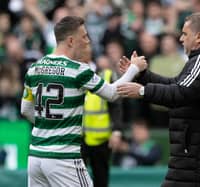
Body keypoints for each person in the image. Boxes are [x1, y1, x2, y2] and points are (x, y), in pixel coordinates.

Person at [20, 16, 147, 187]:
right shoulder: (78, 70)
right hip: (64, 158)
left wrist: (50, 126)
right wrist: (134, 68)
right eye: (85, 36)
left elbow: (25, 110)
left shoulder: (35, 68)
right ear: (71, 41)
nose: (88, 41)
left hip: (36, 157)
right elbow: (112, 94)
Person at [117, 12, 200, 187]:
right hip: (199, 162)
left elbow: (180, 92)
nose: (181, 39)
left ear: (198, 37)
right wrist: (141, 75)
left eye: (184, 34)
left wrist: (143, 91)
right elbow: (176, 84)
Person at [81, 55, 123, 187]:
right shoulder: (73, 73)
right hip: (78, 137)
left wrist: (116, 131)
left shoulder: (106, 74)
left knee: (101, 178)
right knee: (76, 179)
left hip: (102, 139)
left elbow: (116, 105)